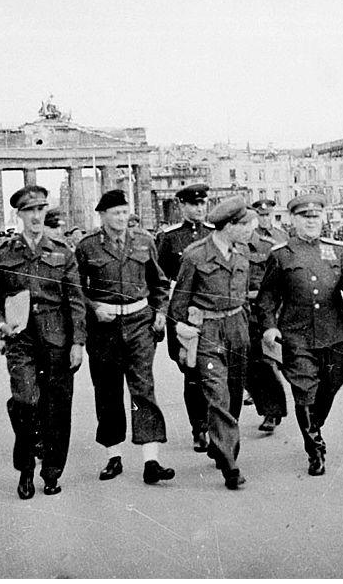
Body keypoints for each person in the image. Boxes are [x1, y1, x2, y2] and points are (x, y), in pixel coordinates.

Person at [0, 185, 87, 499]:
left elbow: (76, 300)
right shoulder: (6, 252)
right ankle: (26, 470)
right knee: (26, 403)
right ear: (20, 215)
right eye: (29, 211)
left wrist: (78, 342)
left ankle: (52, 472)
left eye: (40, 210)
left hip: (57, 339)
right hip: (21, 341)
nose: (35, 217)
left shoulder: (62, 250)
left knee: (57, 409)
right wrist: (1, 324)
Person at [256, 194, 343, 475]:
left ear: (323, 219)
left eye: (316, 217)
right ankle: (315, 449)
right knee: (305, 390)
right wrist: (269, 326)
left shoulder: (337, 250)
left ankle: (314, 423)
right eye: (305, 217)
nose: (311, 222)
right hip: (296, 335)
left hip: (333, 332)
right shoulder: (281, 254)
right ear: (293, 220)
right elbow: (267, 297)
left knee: (331, 383)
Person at [76, 189, 175, 486]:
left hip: (139, 323)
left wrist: (159, 311)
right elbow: (75, 288)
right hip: (104, 328)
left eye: (124, 212)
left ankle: (151, 459)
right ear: (102, 215)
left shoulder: (144, 241)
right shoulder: (87, 246)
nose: (121, 218)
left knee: (143, 388)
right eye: (115, 213)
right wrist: (94, 309)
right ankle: (113, 455)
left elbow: (158, 282)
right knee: (107, 391)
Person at [170, 196, 256, 490]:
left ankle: (221, 446)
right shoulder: (195, 256)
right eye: (244, 225)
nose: (249, 230)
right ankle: (230, 464)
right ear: (228, 226)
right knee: (217, 395)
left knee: (233, 393)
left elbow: (245, 296)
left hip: (237, 328)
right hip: (207, 331)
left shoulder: (243, 254)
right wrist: (181, 338)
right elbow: (178, 304)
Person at [156, 183, 213, 452]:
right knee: (191, 371)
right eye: (193, 204)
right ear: (182, 206)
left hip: (211, 313)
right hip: (184, 315)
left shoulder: (215, 234)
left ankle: (214, 424)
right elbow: (160, 278)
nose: (199, 208)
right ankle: (199, 427)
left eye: (202, 203)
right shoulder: (169, 238)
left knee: (212, 370)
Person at [245, 221, 288, 432]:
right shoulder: (225, 247)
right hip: (232, 314)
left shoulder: (267, 247)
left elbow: (275, 284)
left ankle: (272, 412)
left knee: (265, 362)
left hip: (257, 312)